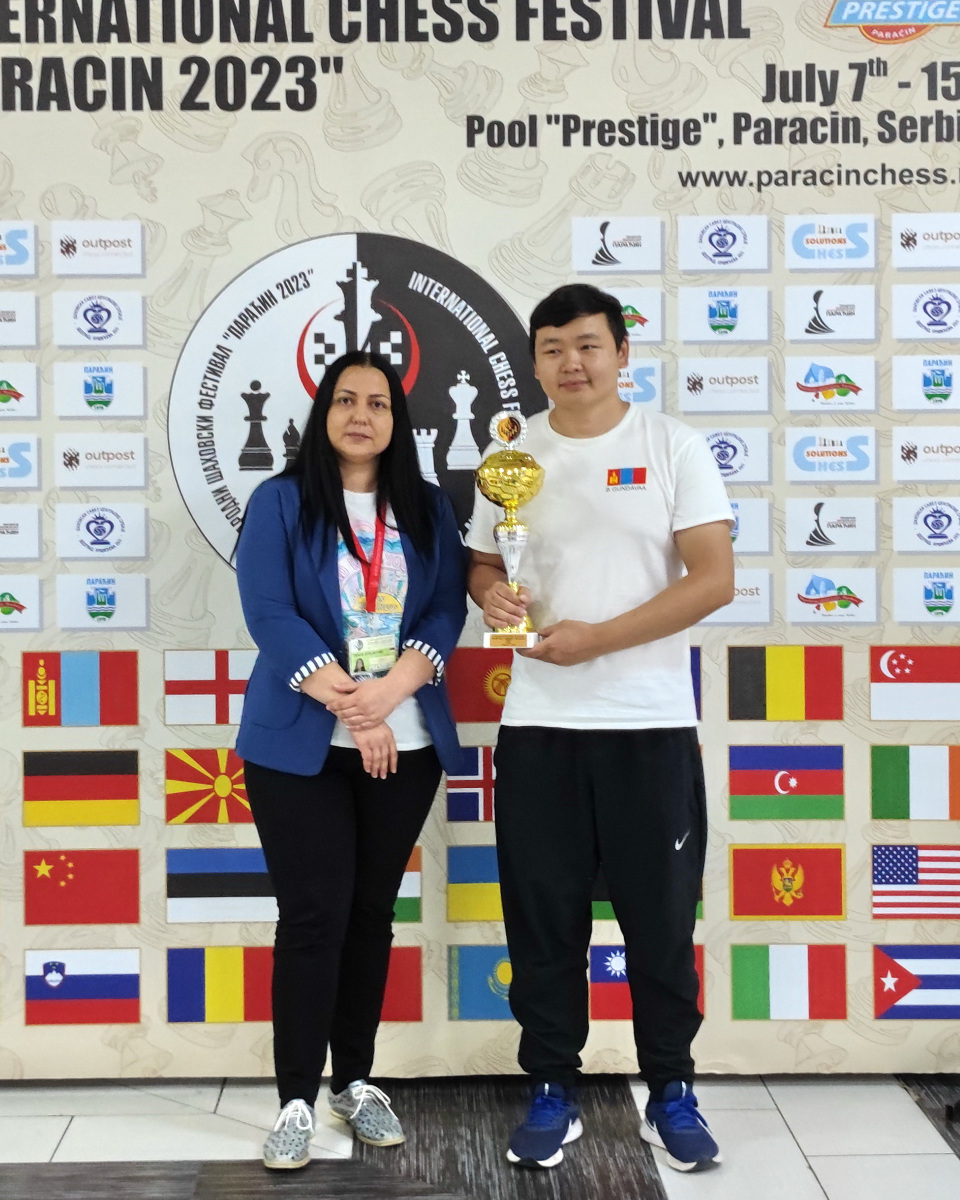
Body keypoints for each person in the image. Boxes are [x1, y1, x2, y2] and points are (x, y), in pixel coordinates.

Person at [466, 284, 734, 1173]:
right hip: (539, 725)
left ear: (622, 352)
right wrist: (491, 596)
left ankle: (672, 1091)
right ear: (534, 361)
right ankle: (552, 1087)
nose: (570, 363)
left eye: (587, 345)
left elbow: (713, 580)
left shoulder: (672, 445)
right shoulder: (511, 453)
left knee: (660, 924)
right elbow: (482, 562)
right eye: (552, 348)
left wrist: (597, 641)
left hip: (649, 726)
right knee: (542, 922)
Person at [235, 350, 467, 1170]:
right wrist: (353, 706)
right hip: (300, 746)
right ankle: (296, 1098)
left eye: (377, 402)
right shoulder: (280, 501)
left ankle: (355, 1081)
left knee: (370, 916)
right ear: (323, 414)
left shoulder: (429, 506)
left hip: (406, 744)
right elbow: (269, 612)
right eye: (345, 400)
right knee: (312, 918)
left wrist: (393, 689)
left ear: (397, 421)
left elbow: (445, 610)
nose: (361, 415)